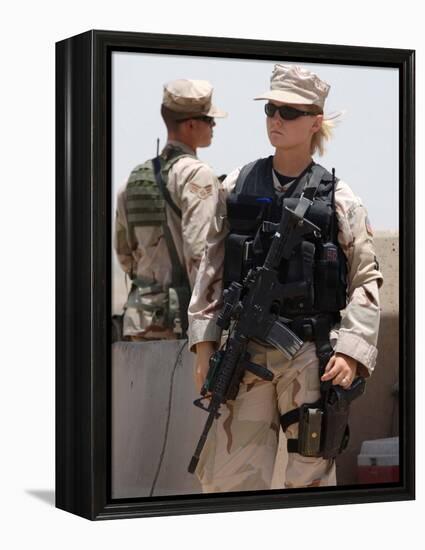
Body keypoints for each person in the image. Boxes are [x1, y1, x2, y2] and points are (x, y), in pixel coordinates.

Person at [188, 64, 383, 492]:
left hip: (310, 358)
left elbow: (365, 278)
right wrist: (204, 344)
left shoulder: (339, 198)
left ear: (315, 122)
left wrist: (351, 353)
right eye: (271, 109)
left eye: (289, 112)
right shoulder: (238, 184)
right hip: (245, 357)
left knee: (307, 482)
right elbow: (211, 266)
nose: (276, 119)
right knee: (230, 484)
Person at [114, 79, 226, 340]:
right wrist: (208, 327)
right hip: (180, 324)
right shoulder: (196, 175)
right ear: (191, 124)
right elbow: (200, 254)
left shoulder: (132, 180)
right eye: (209, 120)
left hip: (139, 320)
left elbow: (124, 255)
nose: (214, 126)